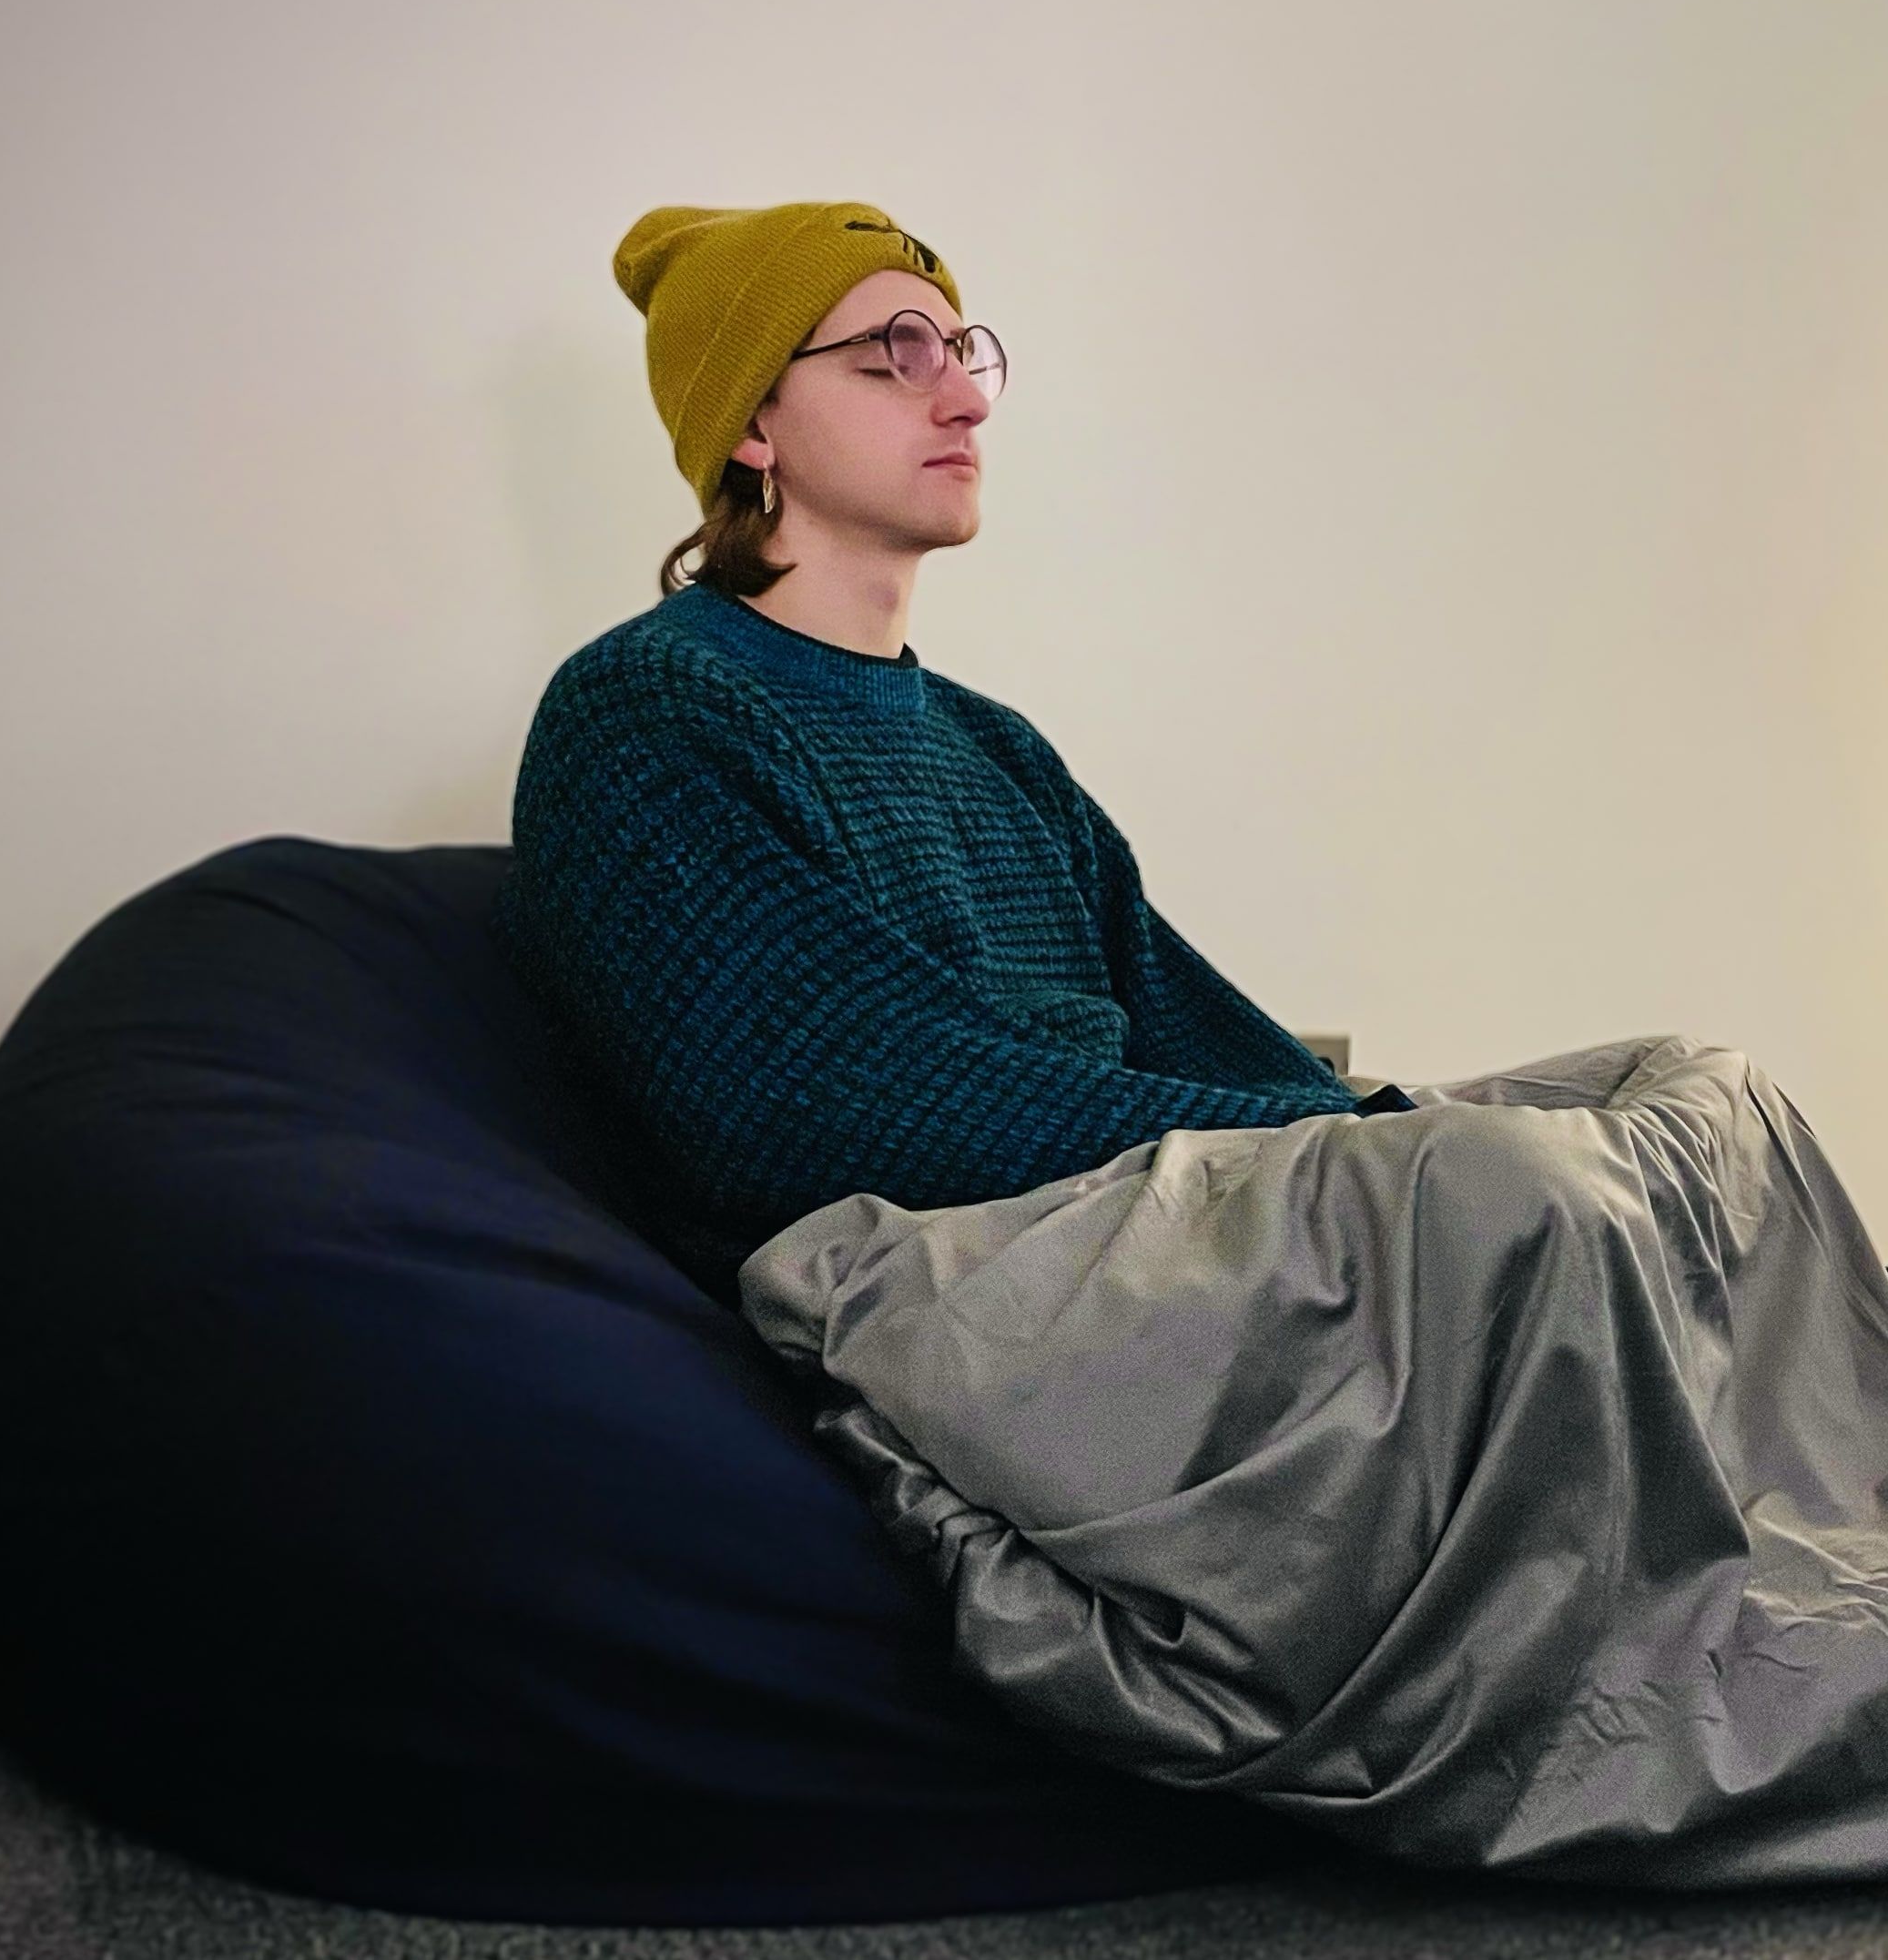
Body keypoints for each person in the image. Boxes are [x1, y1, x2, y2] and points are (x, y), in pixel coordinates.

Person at [497, 201, 1408, 1302]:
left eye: (965, 354)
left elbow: (1185, 1018)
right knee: (1527, 1203)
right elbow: (821, 1101)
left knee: (1644, 1111)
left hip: (1148, 1233)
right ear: (753, 424)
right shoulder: (649, 709)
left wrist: (1387, 1133)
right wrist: (1338, 1159)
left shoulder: (996, 747)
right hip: (954, 1291)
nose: (968, 399)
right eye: (897, 355)